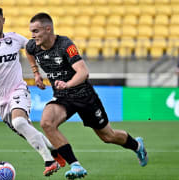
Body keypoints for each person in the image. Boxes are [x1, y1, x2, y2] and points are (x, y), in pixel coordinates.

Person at [25, 12, 148, 179]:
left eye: (36, 31)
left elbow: (83, 72)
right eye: (31, 31)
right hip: (62, 97)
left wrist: (67, 84)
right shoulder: (33, 45)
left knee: (108, 136)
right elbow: (29, 52)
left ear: (48, 29)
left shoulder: (65, 44)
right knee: (47, 123)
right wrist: (36, 74)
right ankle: (75, 166)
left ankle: (137, 145)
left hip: (84, 96)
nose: (33, 36)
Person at [0, 6, 66, 177]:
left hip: (18, 90)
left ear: (3, 20)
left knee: (20, 123)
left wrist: (37, 73)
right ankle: (55, 150)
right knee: (27, 130)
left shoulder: (14, 39)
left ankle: (49, 160)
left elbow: (34, 48)